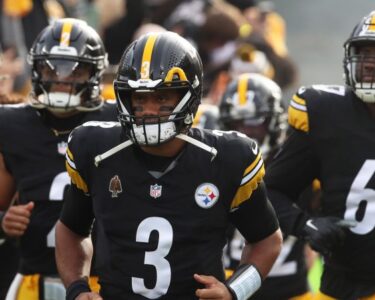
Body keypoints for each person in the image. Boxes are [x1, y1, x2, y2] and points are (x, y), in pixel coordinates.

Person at [55, 31, 283, 300]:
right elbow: (71, 229)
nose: (149, 110)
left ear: (190, 95)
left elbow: (267, 241)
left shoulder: (226, 157)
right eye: (140, 98)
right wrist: (77, 288)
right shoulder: (95, 150)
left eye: (162, 98)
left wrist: (235, 292)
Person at [0, 18, 117, 299]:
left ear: (94, 72)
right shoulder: (12, 124)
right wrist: (4, 222)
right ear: (36, 68)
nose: (61, 81)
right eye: (50, 68)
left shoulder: (116, 121)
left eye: (74, 72)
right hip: (35, 278)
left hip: (105, 280)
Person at [264, 11, 375, 299]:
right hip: (346, 288)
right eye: (364, 53)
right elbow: (272, 190)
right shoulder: (327, 114)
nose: (369, 64)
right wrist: (305, 224)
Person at [219, 73, 314, 300]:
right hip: (233, 286)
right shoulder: (217, 168)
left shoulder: (302, 166)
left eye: (254, 121)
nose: (245, 131)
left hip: (291, 290)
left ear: (274, 120)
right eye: (235, 123)